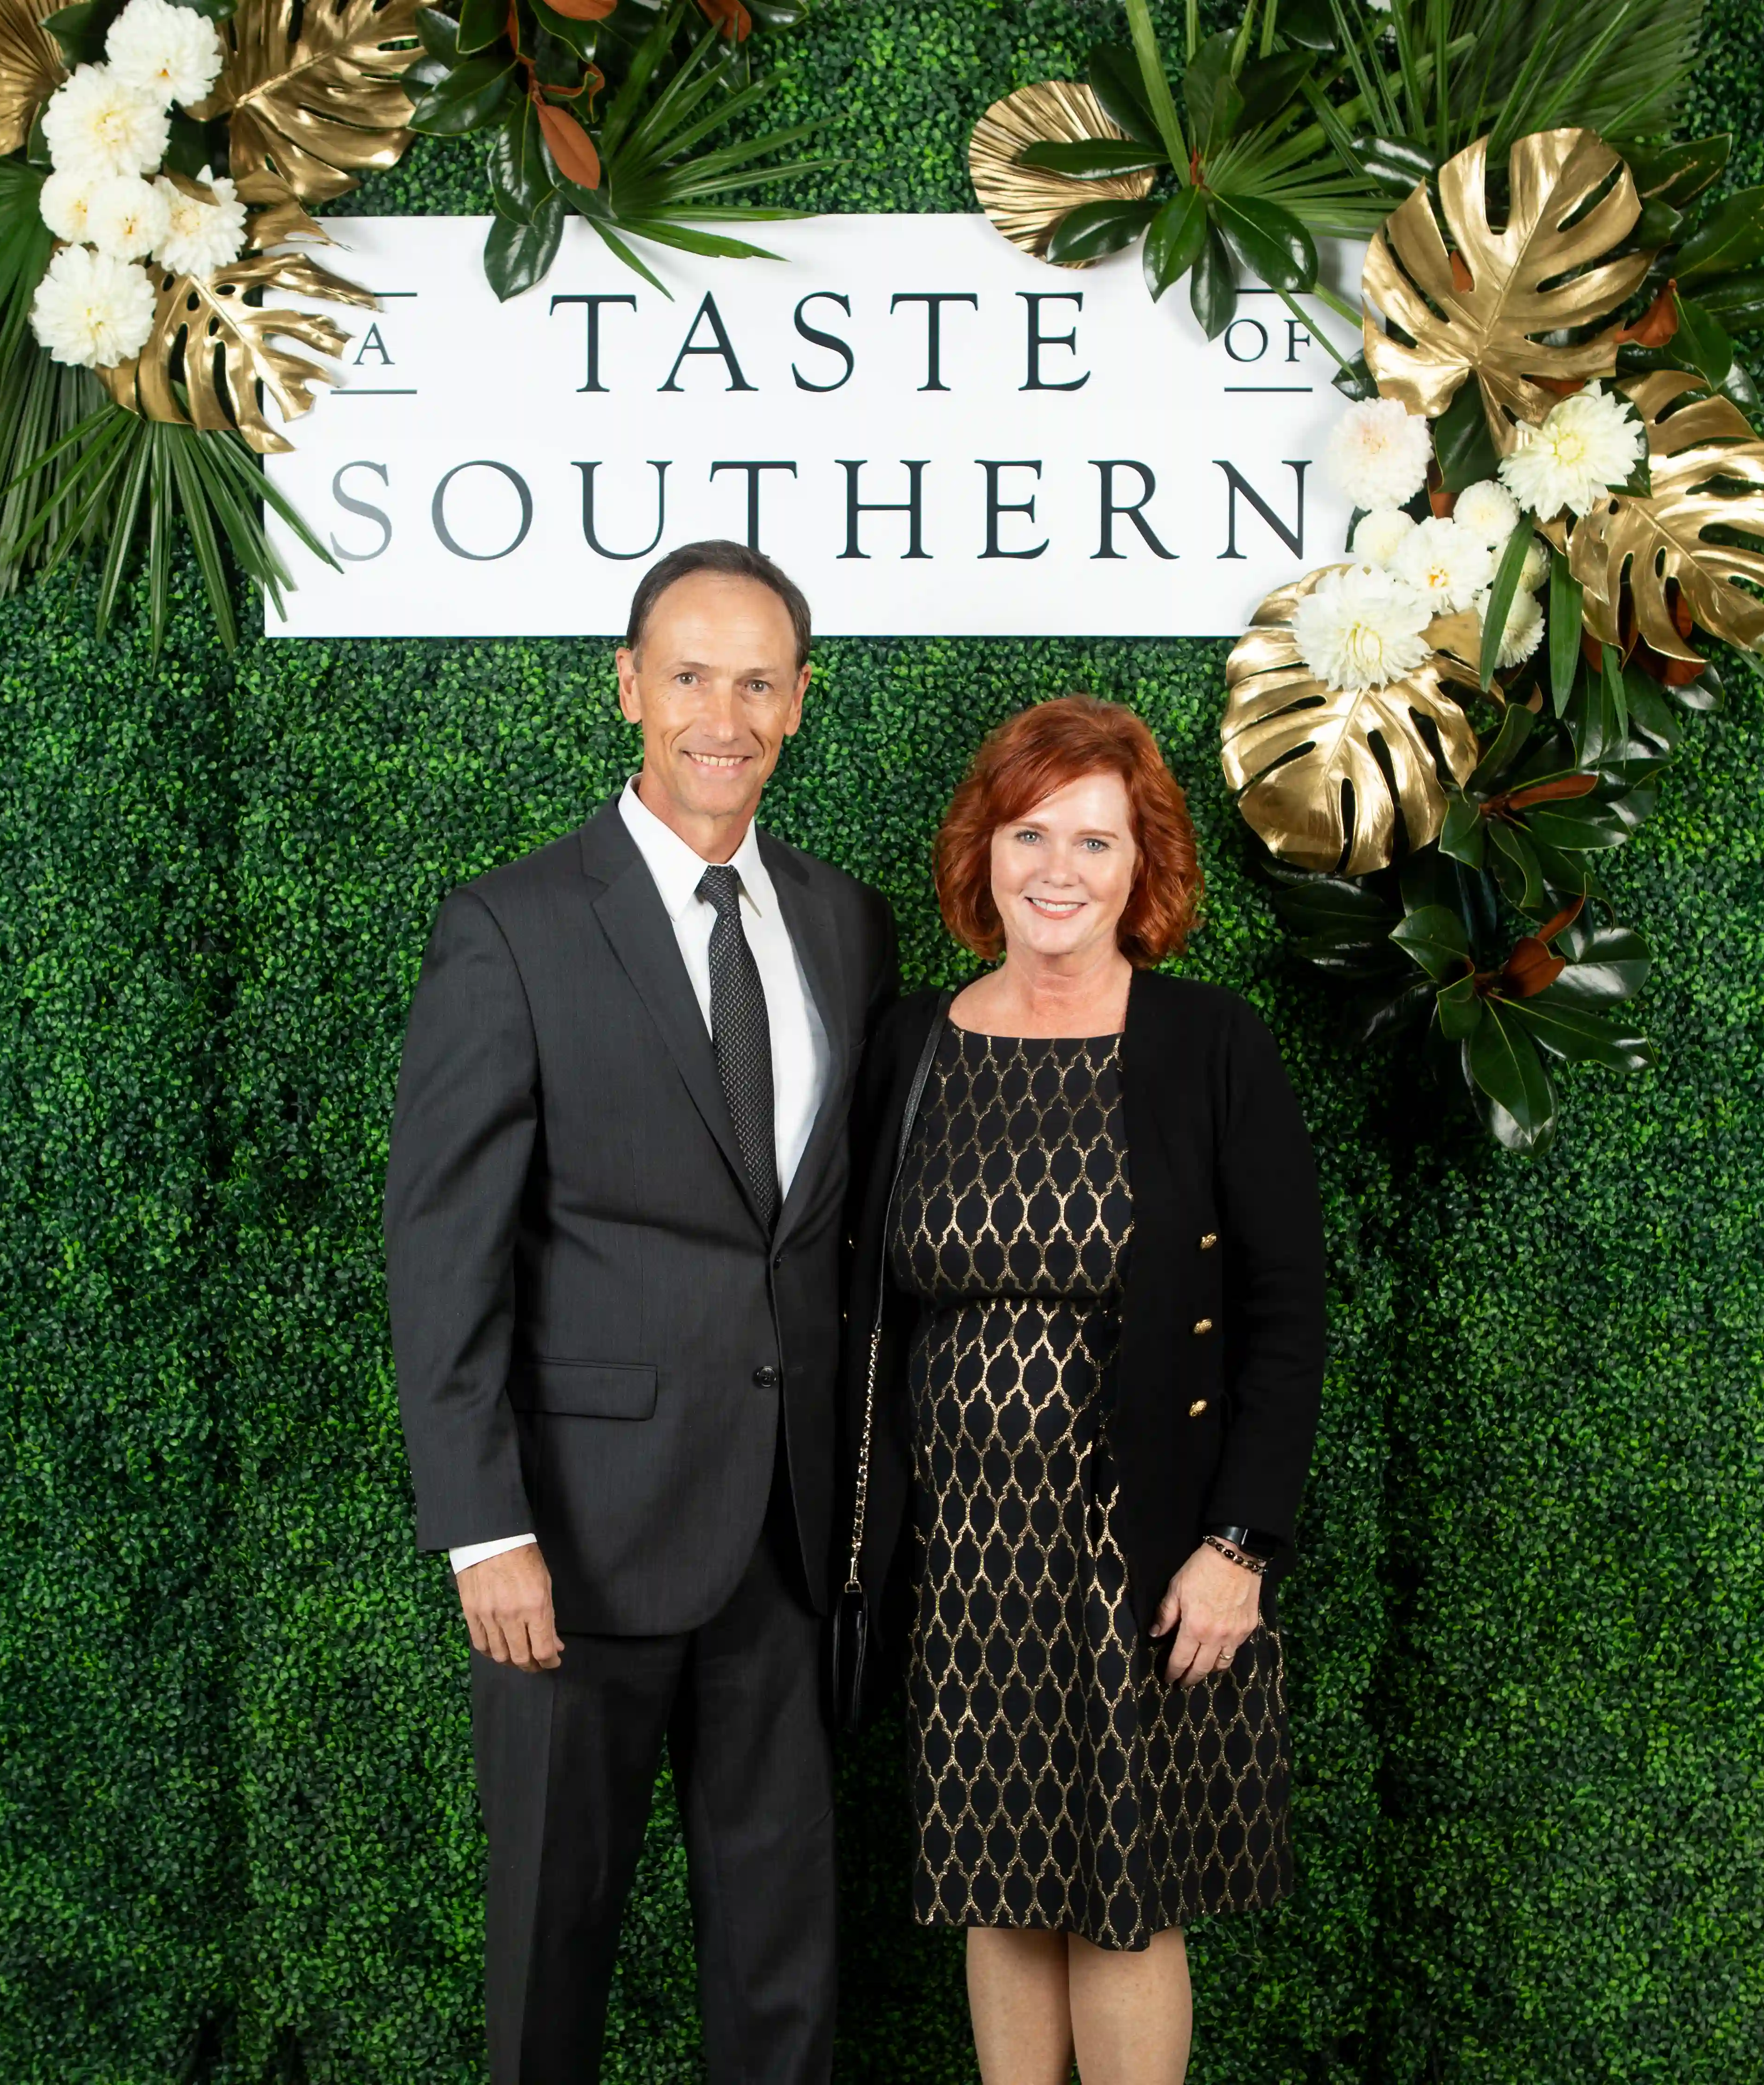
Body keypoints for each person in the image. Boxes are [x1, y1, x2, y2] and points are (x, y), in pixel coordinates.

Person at [386, 540, 897, 2085]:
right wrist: (485, 1529)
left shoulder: (847, 925)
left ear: (801, 704)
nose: (720, 714)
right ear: (627, 687)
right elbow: (443, 1245)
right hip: (574, 1548)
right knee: (554, 1953)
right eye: (689, 675)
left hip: (789, 1545)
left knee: (784, 1964)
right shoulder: (513, 926)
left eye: (757, 681)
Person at [834, 695, 1324, 2085]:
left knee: (1123, 1899)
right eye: (1029, 831)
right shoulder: (908, 1046)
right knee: (997, 1886)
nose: (1057, 868)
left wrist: (1239, 1551)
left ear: (1142, 867)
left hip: (1142, 1545)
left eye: (1094, 841)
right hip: (962, 1549)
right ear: (982, 853)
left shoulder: (1209, 1043)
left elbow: (1287, 1320)